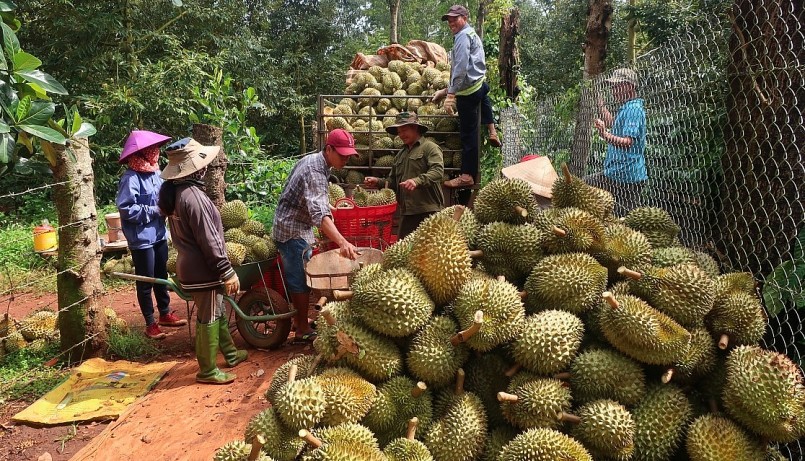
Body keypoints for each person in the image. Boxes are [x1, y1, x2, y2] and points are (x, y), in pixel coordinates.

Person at [158, 138, 246, 385]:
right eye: (203, 163)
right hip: (203, 270)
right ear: (197, 169)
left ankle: (229, 354)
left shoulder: (176, 193)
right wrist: (226, 270)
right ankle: (207, 371)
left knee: (217, 310)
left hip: (191, 266)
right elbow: (210, 240)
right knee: (208, 316)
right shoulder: (193, 197)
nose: (206, 167)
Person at [271, 128, 360, 343]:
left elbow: (309, 195)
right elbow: (319, 215)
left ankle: (299, 320)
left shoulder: (316, 162)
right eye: (342, 154)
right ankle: (301, 328)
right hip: (291, 229)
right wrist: (342, 242)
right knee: (300, 278)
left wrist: (329, 206)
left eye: (349, 154)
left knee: (304, 274)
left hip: (298, 224)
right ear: (328, 149)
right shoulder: (315, 171)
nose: (346, 159)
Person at [116, 130, 187, 340]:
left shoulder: (156, 173)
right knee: (146, 280)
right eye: (152, 150)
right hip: (141, 238)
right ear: (143, 153)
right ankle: (150, 322)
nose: (156, 153)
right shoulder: (131, 178)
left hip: (158, 234)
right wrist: (155, 211)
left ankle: (165, 314)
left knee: (161, 276)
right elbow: (126, 208)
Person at [433, 4, 500, 189]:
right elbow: (471, 66)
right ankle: (492, 130)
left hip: (467, 93)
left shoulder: (462, 37)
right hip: (478, 84)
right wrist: (446, 90)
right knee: (484, 94)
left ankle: (467, 175)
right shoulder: (471, 34)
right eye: (449, 19)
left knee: (468, 135)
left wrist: (451, 94)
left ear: (465, 18)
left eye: (455, 18)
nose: (451, 22)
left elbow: (461, 67)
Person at [364, 112, 445, 238]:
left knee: (431, 252)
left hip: (428, 210)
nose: (401, 135)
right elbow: (393, 182)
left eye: (404, 130)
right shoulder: (400, 155)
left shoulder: (430, 147)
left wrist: (417, 181)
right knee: (403, 252)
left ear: (415, 128)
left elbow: (438, 171)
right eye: (399, 132)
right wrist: (378, 181)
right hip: (407, 212)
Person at [591, 67, 647, 216]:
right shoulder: (627, 108)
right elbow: (613, 124)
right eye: (612, 87)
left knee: (623, 219)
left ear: (629, 86)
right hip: (616, 172)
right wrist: (601, 105)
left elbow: (628, 141)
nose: (613, 90)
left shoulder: (634, 110)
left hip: (626, 176)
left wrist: (604, 134)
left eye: (616, 86)